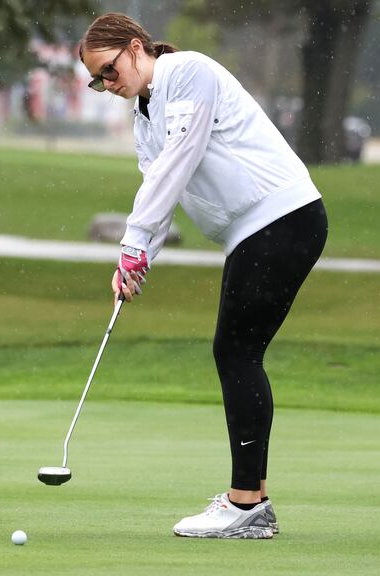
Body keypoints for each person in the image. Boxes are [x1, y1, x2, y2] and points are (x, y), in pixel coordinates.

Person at [79, 13, 328, 539]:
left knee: (236, 351)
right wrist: (138, 254)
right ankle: (251, 502)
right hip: (255, 230)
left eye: (108, 70)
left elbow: (180, 160)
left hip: (280, 217)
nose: (107, 84)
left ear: (133, 48)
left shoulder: (189, 73)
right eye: (97, 80)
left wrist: (131, 241)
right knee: (238, 351)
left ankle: (245, 507)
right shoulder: (143, 116)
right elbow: (159, 189)